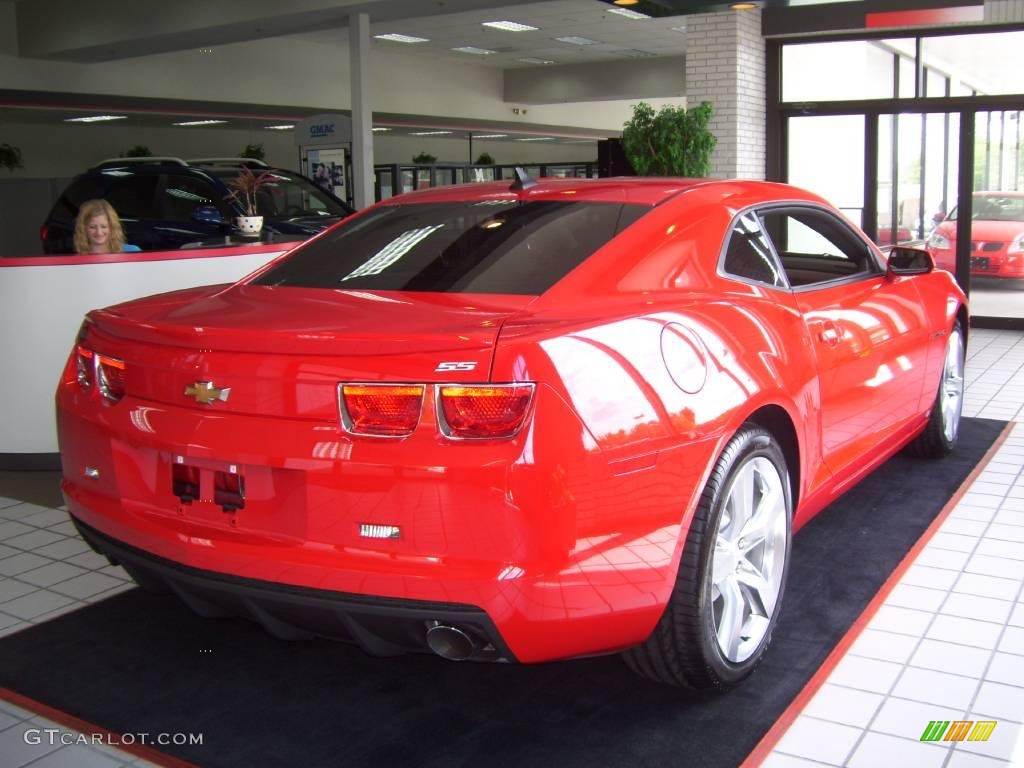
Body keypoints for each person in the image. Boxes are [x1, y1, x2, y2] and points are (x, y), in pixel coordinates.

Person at [73, 199, 141, 254]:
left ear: (112, 227)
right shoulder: (78, 260)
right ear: (83, 228)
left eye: (103, 226)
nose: (99, 232)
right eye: (92, 227)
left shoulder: (132, 251)